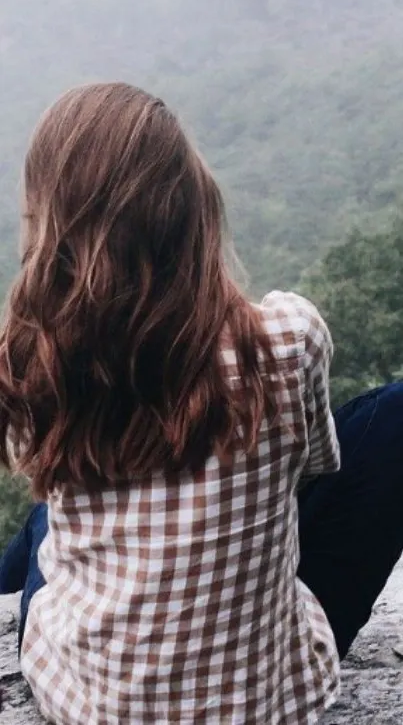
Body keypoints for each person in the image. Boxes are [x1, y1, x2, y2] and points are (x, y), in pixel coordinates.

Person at [0, 83, 402, 724]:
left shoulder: (33, 362)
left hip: (85, 702)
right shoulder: (290, 338)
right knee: (393, 416)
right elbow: (312, 470)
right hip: (262, 702)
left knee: (46, 514)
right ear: (193, 206)